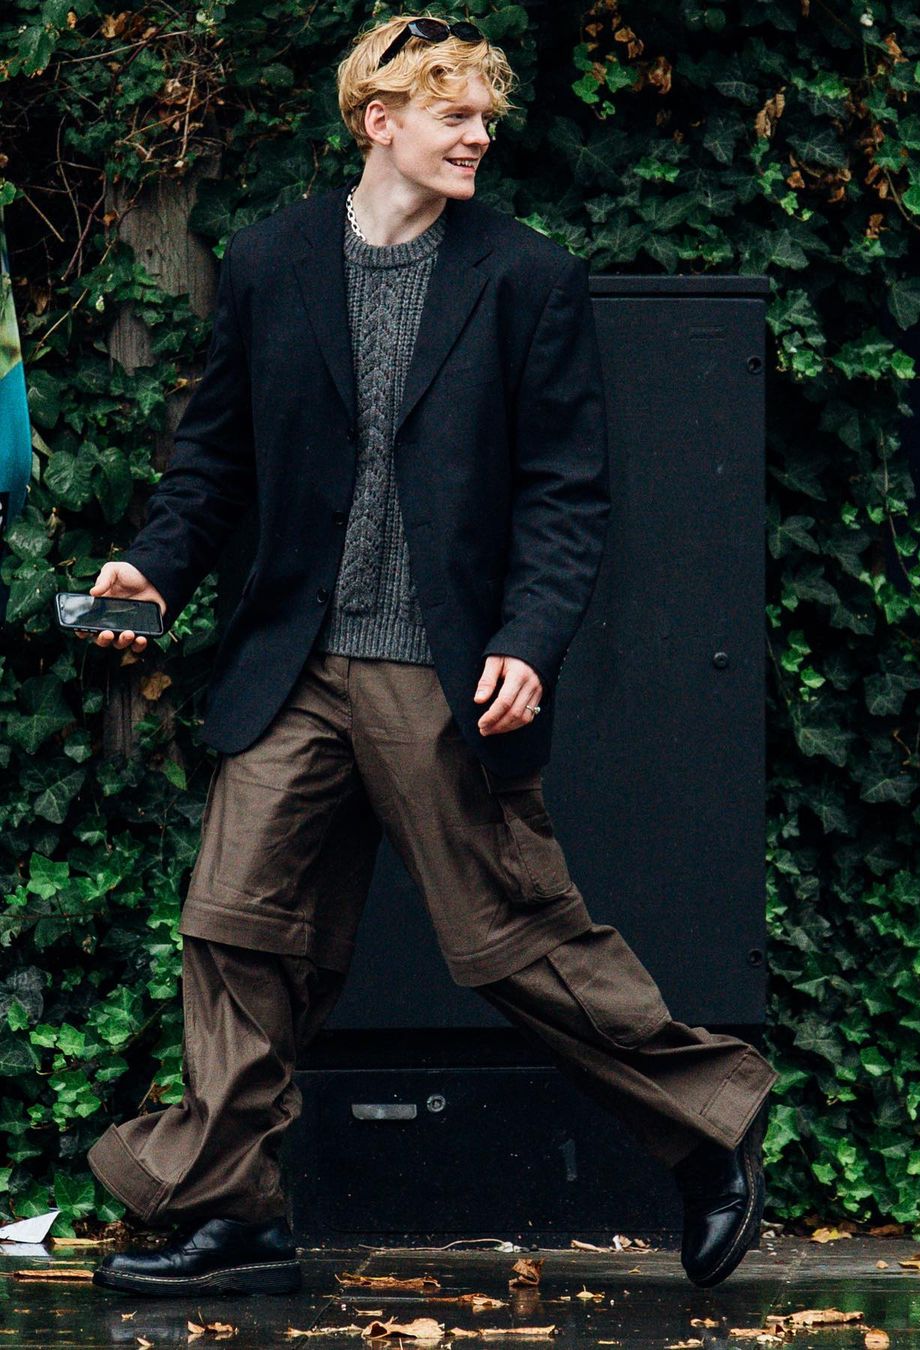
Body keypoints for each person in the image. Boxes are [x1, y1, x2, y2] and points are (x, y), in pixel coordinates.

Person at [83, 13, 778, 1297]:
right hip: (295, 660)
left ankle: (706, 1127)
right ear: (379, 121)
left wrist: (528, 640)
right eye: (455, 116)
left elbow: (566, 492)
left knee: (513, 940)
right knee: (238, 929)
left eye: (486, 119)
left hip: (439, 669)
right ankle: (234, 1214)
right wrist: (159, 567)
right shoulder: (272, 259)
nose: (478, 138)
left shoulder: (525, 276)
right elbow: (216, 456)